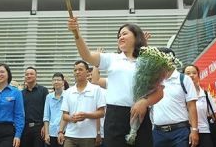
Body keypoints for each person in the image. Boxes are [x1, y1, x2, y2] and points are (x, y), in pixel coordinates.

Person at [67, 18, 163, 147]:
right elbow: (87, 56)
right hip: (115, 117)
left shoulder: (148, 61)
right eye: (119, 36)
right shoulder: (112, 58)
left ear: (136, 36)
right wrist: (76, 33)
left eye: (124, 34)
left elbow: (159, 92)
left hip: (140, 115)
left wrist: (144, 102)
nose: (120, 37)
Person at [151, 48, 199, 147]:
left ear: (170, 60)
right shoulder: (154, 81)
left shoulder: (184, 79)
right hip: (158, 133)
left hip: (180, 132)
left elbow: (191, 106)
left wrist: (194, 130)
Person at [58, 60, 106, 147]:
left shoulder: (96, 89)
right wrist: (71, 118)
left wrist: (86, 115)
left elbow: (102, 113)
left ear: (87, 72)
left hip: (89, 136)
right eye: (75, 70)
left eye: (80, 69)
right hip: (70, 136)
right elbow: (65, 115)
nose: (77, 72)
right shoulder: (68, 92)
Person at [183, 65, 216, 147]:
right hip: (187, 134)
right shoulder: (180, 96)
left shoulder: (205, 94)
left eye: (194, 73)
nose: (191, 75)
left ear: (198, 76)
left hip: (205, 133)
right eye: (188, 73)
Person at [21, 66, 49, 147]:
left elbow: (47, 110)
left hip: (39, 128)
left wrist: (45, 126)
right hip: (25, 128)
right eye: (27, 74)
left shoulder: (43, 90)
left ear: (36, 76)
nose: (29, 76)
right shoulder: (21, 93)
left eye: (31, 74)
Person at [43, 72, 65, 147]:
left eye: (58, 80)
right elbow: (46, 116)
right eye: (54, 80)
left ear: (63, 82)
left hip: (64, 132)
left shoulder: (68, 95)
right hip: (51, 132)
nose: (56, 82)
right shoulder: (49, 97)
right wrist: (46, 134)